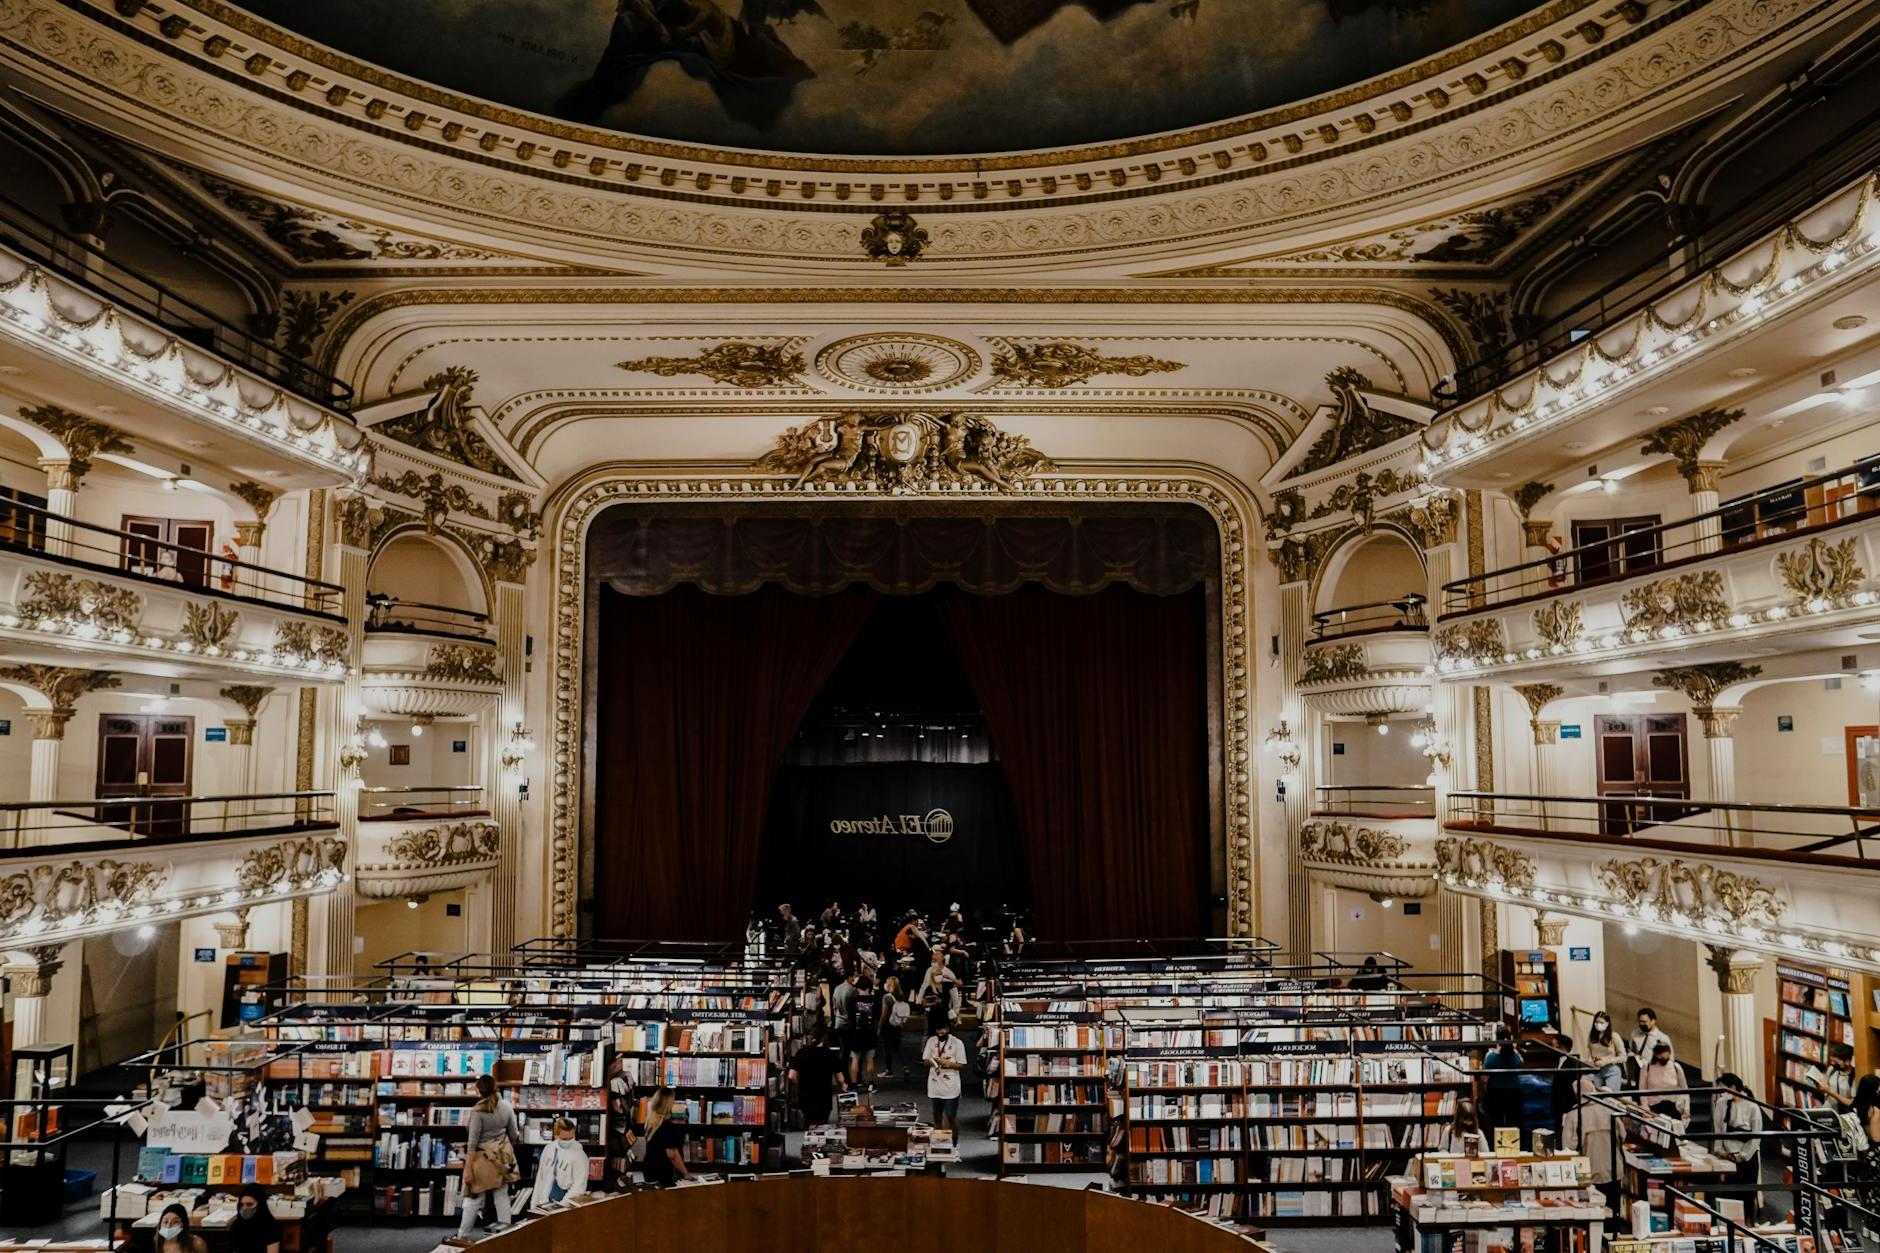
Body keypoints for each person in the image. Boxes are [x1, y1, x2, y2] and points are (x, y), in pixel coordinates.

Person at [457, 1073, 522, 1237]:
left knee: (474, 1197)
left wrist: (467, 1168)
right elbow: (514, 1135)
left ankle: (462, 1236)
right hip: (501, 1158)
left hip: (481, 1160)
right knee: (501, 1196)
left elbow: (472, 1143)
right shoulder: (507, 1106)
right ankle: (506, 1235)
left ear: (479, 1091)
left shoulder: (477, 1111)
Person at [1711, 1073, 1764, 1213]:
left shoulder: (1752, 1106)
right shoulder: (1721, 1104)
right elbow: (1718, 1129)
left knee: (1746, 1193)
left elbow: (1756, 1135)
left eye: (1723, 1089)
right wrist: (1720, 1151)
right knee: (1728, 1194)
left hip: (1747, 1156)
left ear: (1733, 1088)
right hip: (1727, 1154)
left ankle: (1747, 1221)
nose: (1721, 1093)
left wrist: (1742, 1156)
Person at [1561, 1077, 1618, 1206]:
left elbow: (1568, 1147)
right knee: (1613, 1208)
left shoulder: (1573, 1115)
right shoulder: (1609, 1110)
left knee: (1591, 1211)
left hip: (1587, 1172)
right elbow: (1622, 1135)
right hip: (1613, 1169)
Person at [786, 1026, 847, 1127]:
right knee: (823, 1123)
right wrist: (843, 1085)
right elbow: (840, 1078)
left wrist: (800, 1084)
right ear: (823, 1038)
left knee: (810, 1122)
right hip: (824, 1097)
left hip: (806, 1096)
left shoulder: (801, 1053)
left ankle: (810, 1138)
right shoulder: (830, 1054)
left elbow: (791, 1075)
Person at [530, 1116, 591, 1207]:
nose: (568, 1141)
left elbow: (579, 1186)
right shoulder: (548, 1149)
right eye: (564, 1139)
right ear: (556, 1136)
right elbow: (540, 1178)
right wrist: (534, 1205)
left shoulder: (580, 1155)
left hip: (565, 1204)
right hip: (544, 1203)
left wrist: (561, 1206)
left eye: (571, 1138)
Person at [639, 1087, 693, 1185]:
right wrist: (686, 1174)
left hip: (650, 1169)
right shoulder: (667, 1126)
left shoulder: (651, 1121)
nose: (674, 1103)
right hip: (662, 1172)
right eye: (673, 1101)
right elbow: (672, 1154)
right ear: (667, 1104)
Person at [1482, 1023, 1524, 1147]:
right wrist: (1514, 1048)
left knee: (1497, 1123)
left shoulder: (1491, 1057)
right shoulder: (1515, 1056)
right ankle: (1513, 1147)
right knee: (1514, 1123)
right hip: (1514, 1092)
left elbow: (1484, 1078)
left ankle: (1498, 1148)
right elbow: (1521, 1062)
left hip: (1496, 1093)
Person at [922, 1019, 968, 1131]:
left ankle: (953, 1143)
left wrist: (948, 1063)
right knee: (936, 1117)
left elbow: (962, 1065)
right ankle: (938, 1143)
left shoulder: (957, 1043)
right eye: (937, 1033)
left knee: (950, 1116)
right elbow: (925, 1062)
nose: (940, 1035)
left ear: (947, 1029)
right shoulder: (931, 1041)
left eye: (942, 1033)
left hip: (950, 1087)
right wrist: (933, 1061)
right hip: (935, 1085)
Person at [918, 947, 961, 1035]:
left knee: (947, 1033)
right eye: (932, 960)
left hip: (945, 1011)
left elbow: (955, 994)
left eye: (935, 960)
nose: (933, 962)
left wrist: (955, 1011)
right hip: (930, 1011)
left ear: (941, 960)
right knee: (928, 1034)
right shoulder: (929, 971)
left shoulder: (948, 973)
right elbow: (924, 986)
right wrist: (919, 1000)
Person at [1640, 1042, 1688, 1120]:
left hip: (1673, 1106)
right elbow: (1642, 1088)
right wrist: (1645, 1107)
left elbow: (1684, 1089)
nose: (1664, 1060)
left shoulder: (1676, 1067)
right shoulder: (1647, 1067)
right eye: (1662, 1058)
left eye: (1666, 1058)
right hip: (1654, 1107)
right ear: (1656, 1055)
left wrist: (1686, 1108)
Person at [228, 1186, 282, 1253]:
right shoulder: (237, 1225)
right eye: (241, 1204)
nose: (244, 1208)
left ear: (260, 1204)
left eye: (249, 1204)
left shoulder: (271, 1227)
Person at [1627, 1008, 1674, 1081]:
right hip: (1638, 1071)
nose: (1641, 1024)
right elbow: (1629, 1050)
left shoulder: (1662, 1038)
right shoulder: (1635, 1034)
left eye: (1644, 1022)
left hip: (1655, 1072)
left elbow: (1670, 1059)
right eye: (1639, 1021)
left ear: (1653, 1021)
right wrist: (1635, 1056)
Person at [877, 974, 907, 1080]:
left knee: (887, 1048)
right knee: (898, 1047)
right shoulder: (900, 995)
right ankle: (905, 1066)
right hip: (898, 1024)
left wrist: (879, 1027)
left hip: (888, 1025)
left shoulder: (886, 997)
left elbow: (884, 1014)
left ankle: (888, 1070)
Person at [1585, 1012, 1624, 1090]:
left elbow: (1623, 1056)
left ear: (1607, 1023)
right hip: (1596, 1069)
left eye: (1601, 1022)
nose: (1598, 1024)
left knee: (1611, 1097)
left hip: (1611, 1069)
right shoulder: (1592, 1035)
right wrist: (1590, 1061)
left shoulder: (1614, 1036)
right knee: (1596, 1095)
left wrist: (1606, 1061)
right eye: (1596, 1022)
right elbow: (1589, 1050)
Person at [1815, 1042, 1858, 1111]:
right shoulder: (1832, 1069)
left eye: (1836, 1062)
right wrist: (1820, 1086)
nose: (1832, 1064)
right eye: (1831, 1061)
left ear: (1847, 1061)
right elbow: (1825, 1088)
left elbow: (1852, 1103)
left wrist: (1831, 1092)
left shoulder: (1854, 1077)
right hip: (1828, 1109)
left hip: (1844, 1114)